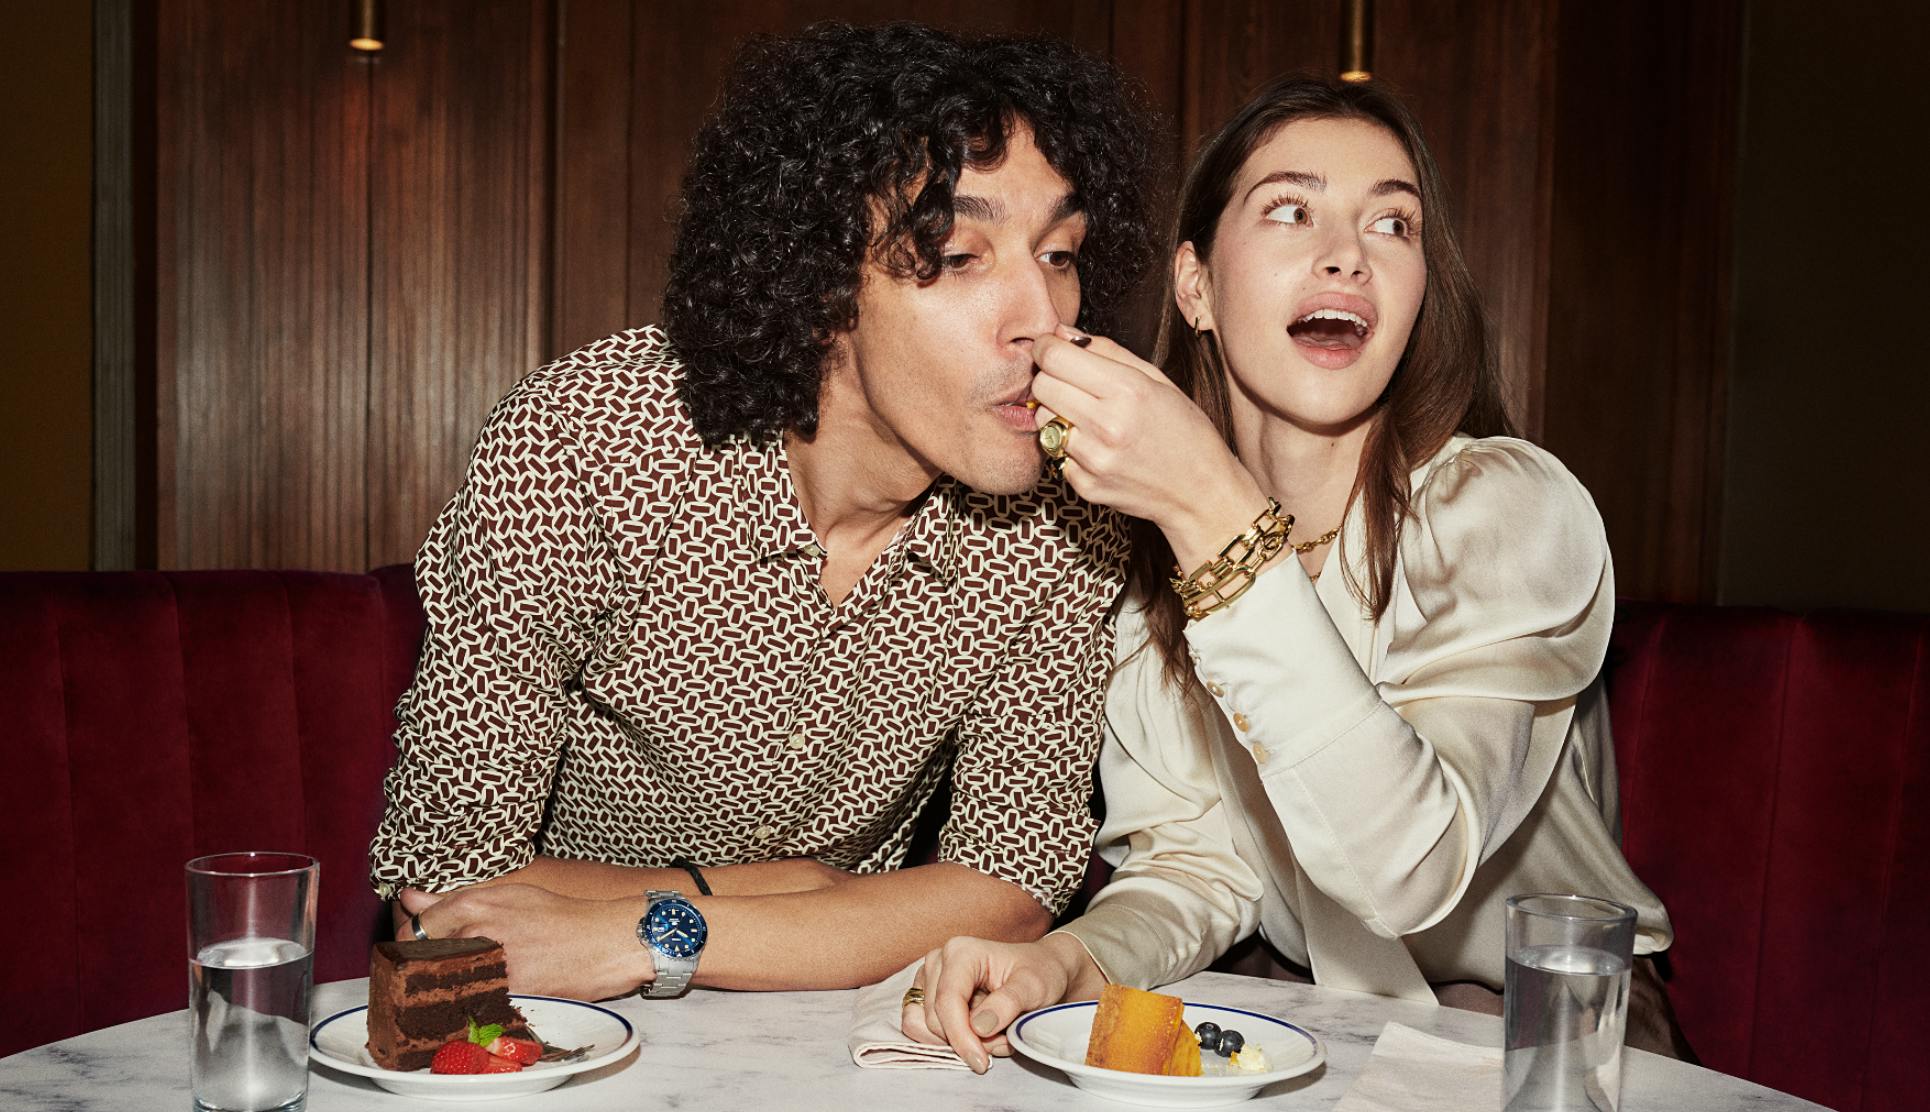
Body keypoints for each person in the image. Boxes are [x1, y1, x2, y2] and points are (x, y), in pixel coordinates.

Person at [901, 75, 1689, 1071]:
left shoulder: (1506, 511)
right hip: (1306, 1007)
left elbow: (1412, 869)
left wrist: (1209, 508)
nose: (1344, 255)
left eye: (1391, 224)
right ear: (1195, 286)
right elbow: (1197, 870)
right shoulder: (1153, 568)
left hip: (1549, 1036)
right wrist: (1064, 959)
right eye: (1290, 209)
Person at [367, 22, 1156, 1001]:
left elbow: (1010, 889)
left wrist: (658, 929)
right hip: (556, 1033)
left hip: (850, 1038)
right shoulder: (594, 438)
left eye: (1061, 252)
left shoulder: (1065, 518)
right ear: (821, 280)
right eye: (959, 253)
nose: (1042, 314)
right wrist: (803, 891)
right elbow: (441, 889)